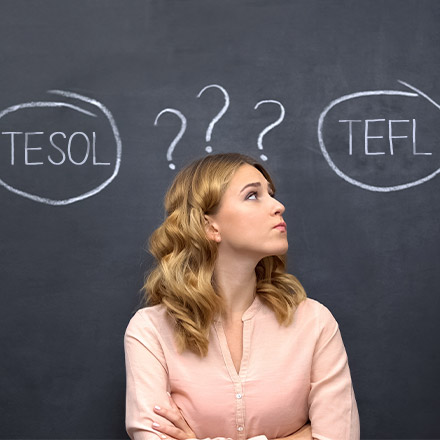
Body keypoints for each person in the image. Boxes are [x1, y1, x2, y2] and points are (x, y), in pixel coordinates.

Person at [124, 153, 360, 440]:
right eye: (252, 196)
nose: (278, 206)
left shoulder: (315, 322)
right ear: (210, 226)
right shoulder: (150, 331)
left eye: (271, 194)